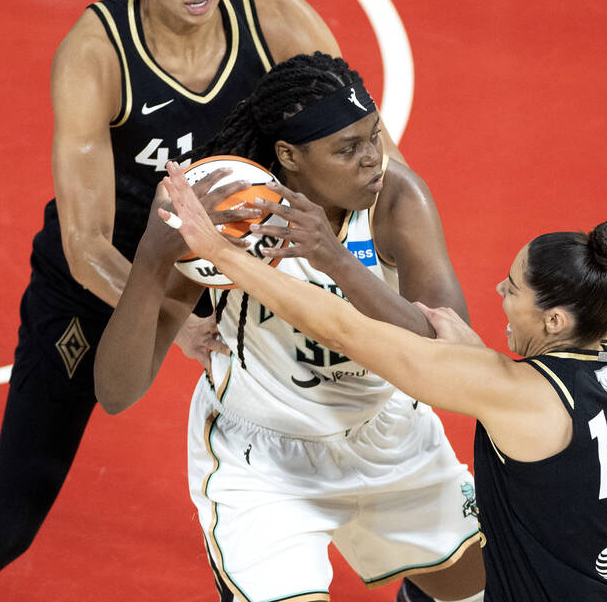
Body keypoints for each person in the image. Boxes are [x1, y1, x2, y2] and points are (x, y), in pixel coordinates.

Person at [0, 0, 378, 601]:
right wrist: (176, 317)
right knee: (10, 520)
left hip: (242, 273)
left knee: (294, 479)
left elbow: (369, 152)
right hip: (111, 279)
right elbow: (86, 241)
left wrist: (361, 263)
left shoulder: (277, 21)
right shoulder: (96, 52)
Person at [93, 52, 486, 602]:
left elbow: (455, 363)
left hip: (388, 438)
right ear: (288, 156)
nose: (372, 159)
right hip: (265, 464)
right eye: (347, 149)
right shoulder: (228, 213)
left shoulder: (396, 198)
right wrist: (152, 261)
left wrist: (337, 261)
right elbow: (115, 392)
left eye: (374, 135)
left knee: (486, 592)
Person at [159, 165, 607, 602]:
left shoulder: (517, 393)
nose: (500, 290)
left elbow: (342, 327)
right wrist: (477, 358)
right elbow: (537, 401)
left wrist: (222, 253)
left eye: (514, 287)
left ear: (557, 321)